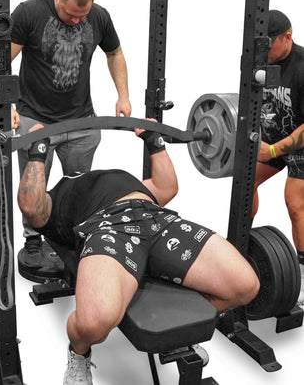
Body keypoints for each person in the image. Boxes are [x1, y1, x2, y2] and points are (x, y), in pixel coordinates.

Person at [18, 123, 260, 385]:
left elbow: (166, 188)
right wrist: (38, 149)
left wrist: (153, 140)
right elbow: (31, 207)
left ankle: (175, 332)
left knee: (245, 285)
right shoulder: (56, 197)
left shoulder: (130, 181)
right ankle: (79, 354)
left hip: (155, 217)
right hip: (107, 227)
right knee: (93, 324)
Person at [11, 0, 132, 268]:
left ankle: (75, 240)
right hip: (34, 120)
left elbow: (114, 53)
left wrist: (123, 95)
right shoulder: (29, 13)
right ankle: (32, 240)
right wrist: (4, 106)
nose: (77, 21)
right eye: (70, 14)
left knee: (79, 189)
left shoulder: (99, 16)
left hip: (81, 123)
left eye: (83, 15)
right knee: (33, 188)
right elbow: (1, 60)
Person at [252, 9, 304, 307]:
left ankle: (303, 271)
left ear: (287, 37)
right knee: (244, 182)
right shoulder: (260, 60)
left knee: (296, 203)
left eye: (269, 44)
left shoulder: (302, 65)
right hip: (272, 139)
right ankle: (241, 246)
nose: (265, 51)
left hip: (300, 144)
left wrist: (273, 150)